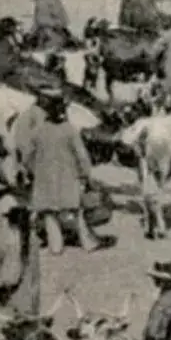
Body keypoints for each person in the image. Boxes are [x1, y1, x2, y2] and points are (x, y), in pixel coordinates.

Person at [25, 86, 111, 254]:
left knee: (49, 214)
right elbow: (82, 156)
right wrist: (85, 175)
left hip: (45, 180)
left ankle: (56, 246)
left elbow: (28, 156)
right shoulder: (69, 130)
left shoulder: (38, 132)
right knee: (77, 213)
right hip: (68, 178)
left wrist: (35, 171)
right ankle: (87, 243)